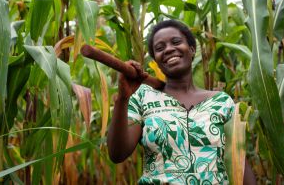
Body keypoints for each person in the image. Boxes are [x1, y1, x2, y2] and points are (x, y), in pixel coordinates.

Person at [107, 19, 255, 184]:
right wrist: (123, 98)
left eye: (176, 42)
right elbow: (117, 154)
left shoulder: (221, 101)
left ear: (192, 50)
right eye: (160, 48)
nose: (169, 49)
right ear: (156, 60)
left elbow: (239, 161)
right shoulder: (142, 97)